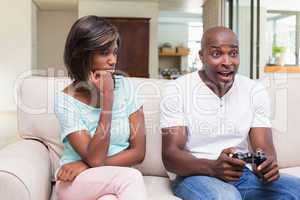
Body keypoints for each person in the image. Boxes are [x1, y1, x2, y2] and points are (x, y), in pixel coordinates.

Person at [160, 26, 300, 200]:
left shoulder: (254, 91)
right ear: (201, 56)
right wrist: (213, 167)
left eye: (233, 53)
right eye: (217, 54)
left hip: (241, 174)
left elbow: (264, 147)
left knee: (296, 190)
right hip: (194, 174)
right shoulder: (177, 89)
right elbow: (170, 155)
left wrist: (266, 164)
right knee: (226, 197)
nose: (227, 62)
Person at [54, 15, 147, 200]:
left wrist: (86, 164)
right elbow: (95, 158)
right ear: (82, 54)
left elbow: (138, 152)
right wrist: (108, 99)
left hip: (110, 179)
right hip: (76, 182)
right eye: (105, 53)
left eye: (115, 52)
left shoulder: (127, 87)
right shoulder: (65, 100)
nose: (113, 60)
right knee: (132, 178)